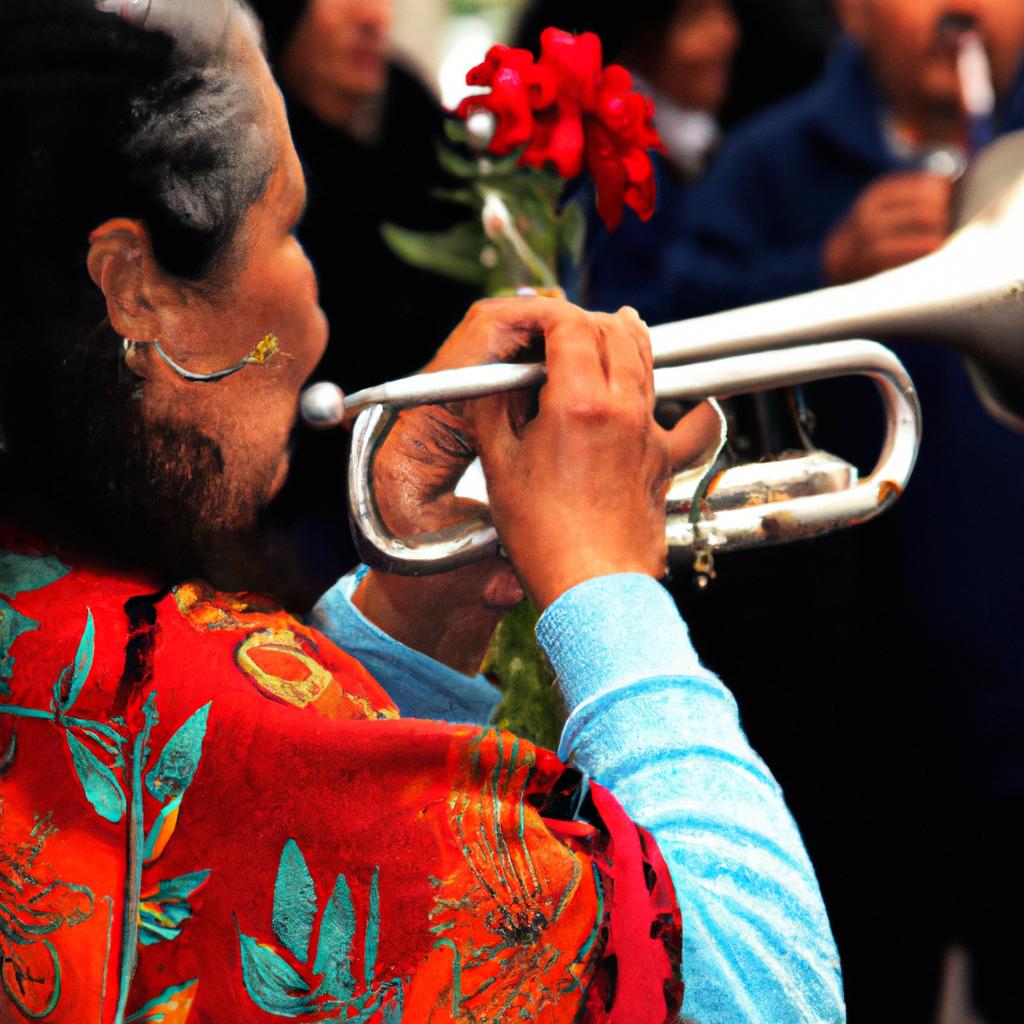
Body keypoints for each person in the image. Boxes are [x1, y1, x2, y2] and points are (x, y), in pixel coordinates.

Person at [0, 2, 844, 1023]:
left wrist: (421, 610)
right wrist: (610, 593)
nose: (306, 326)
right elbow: (763, 992)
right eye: (288, 227)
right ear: (136, 292)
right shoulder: (185, 708)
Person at [605, 1, 1024, 1019]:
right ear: (851, 11)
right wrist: (824, 269)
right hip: (850, 727)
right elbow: (659, 339)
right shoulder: (769, 162)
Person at [243, 0, 480, 610]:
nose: (374, 16)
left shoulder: (409, 110)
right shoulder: (239, 147)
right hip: (294, 494)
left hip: (439, 458)